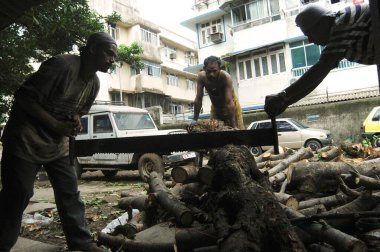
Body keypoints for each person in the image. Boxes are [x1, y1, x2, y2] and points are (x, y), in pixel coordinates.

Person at [0, 32, 117, 252]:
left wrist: (75, 120)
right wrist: (56, 125)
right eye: (109, 53)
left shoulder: (94, 83)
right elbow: (24, 98)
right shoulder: (62, 65)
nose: (112, 59)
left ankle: (81, 243)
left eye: (114, 56)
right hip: (25, 141)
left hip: (57, 146)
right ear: (92, 49)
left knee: (70, 194)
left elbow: (78, 112)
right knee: (18, 194)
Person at [265, 3, 374, 117]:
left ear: (324, 22)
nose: (310, 40)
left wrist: (282, 96)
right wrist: (285, 102)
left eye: (310, 34)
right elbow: (318, 77)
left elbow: (322, 67)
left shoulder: (342, 23)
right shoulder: (341, 37)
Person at [193, 55, 245, 129]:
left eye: (214, 71)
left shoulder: (225, 77)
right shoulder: (201, 77)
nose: (211, 74)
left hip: (232, 109)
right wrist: (195, 119)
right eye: (209, 71)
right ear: (204, 69)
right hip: (216, 109)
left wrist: (234, 126)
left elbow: (229, 102)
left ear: (220, 69)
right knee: (214, 133)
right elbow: (198, 99)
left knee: (238, 134)